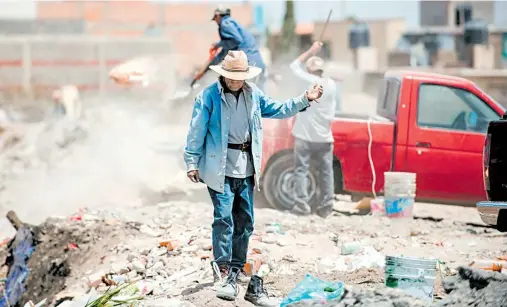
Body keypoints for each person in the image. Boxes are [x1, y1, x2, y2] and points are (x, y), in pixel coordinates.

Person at [184, 50, 323, 306]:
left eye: (241, 77)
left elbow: (278, 109)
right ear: (224, 76)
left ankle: (236, 268)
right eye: (233, 77)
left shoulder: (253, 94)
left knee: (245, 221)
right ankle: (222, 270)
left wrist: (305, 99)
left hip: (246, 168)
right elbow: (196, 130)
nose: (237, 81)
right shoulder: (209, 97)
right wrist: (192, 162)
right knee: (223, 219)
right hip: (220, 168)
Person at [289, 41, 340, 218]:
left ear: (310, 70)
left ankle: (302, 206)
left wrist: (311, 50)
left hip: (305, 136)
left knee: (301, 170)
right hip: (325, 138)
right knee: (326, 173)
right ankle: (326, 207)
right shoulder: (332, 85)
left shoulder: (309, 81)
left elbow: (294, 66)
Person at [209, 7, 268, 91]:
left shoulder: (225, 24)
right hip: (259, 64)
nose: (215, 21)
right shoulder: (236, 25)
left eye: (215, 18)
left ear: (218, 15)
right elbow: (226, 51)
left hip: (247, 65)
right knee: (261, 97)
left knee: (247, 97)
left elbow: (236, 40)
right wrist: (209, 66)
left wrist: (218, 44)